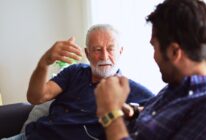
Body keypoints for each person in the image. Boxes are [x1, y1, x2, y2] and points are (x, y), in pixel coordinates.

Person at [2, 24, 153, 140]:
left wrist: (133, 111)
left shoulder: (132, 90)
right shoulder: (74, 72)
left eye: (111, 49)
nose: (104, 56)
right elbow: (36, 97)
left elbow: (161, 113)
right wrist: (44, 64)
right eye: (97, 49)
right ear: (87, 53)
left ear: (120, 52)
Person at [95, 0, 206, 140]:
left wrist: (111, 113)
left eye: (154, 47)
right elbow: (170, 118)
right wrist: (134, 112)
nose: (154, 56)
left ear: (174, 52)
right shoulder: (178, 83)